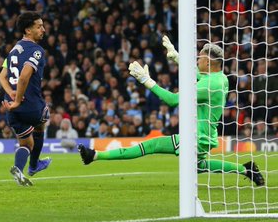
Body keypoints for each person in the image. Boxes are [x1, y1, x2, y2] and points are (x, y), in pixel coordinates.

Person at [78, 37, 265, 187]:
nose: (197, 60)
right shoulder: (220, 78)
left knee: (152, 146)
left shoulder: (210, 84)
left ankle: (95, 155)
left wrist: (146, 81)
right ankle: (246, 169)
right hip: (207, 134)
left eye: (199, 57)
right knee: (198, 166)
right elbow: (197, 73)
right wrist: (176, 56)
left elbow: (173, 100)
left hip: (197, 136)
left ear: (208, 62)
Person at [0, 11, 51, 186]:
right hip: (28, 105)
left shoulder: (13, 51)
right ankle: (34, 165)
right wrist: (18, 99)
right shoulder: (37, 51)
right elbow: (24, 77)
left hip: (11, 107)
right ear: (28, 30)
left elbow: (1, 77)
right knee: (43, 117)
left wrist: (11, 95)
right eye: (39, 26)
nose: (43, 29)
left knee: (26, 143)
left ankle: (19, 170)